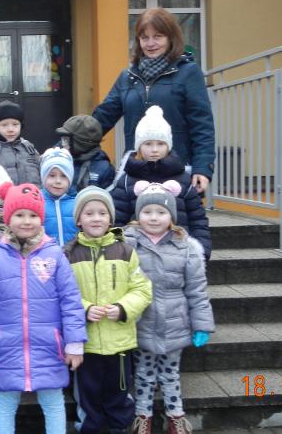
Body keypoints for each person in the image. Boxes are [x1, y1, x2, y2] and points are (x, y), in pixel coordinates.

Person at [0, 182, 87, 434]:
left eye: (33, 215)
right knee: (5, 401)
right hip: (5, 345)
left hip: (48, 344)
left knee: (52, 401)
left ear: (41, 218)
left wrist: (74, 343)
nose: (26, 221)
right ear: (8, 219)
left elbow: (71, 301)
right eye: (19, 215)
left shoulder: (55, 255)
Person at [122, 182, 215, 434]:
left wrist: (201, 324)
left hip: (175, 322)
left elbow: (196, 290)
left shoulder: (187, 247)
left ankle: (176, 416)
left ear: (171, 216)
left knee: (170, 373)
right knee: (143, 373)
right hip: (142, 322)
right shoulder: (127, 243)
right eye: (147, 212)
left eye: (161, 212)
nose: (154, 218)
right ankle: (143, 416)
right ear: (138, 214)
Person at [92, 7, 215, 194]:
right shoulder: (127, 77)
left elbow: (202, 125)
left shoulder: (189, 72)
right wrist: (66, 144)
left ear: (171, 38)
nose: (150, 43)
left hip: (177, 175)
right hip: (136, 174)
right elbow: (101, 118)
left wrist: (203, 168)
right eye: (144, 37)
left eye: (157, 36)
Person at [64, 187, 152, 434]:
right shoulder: (68, 254)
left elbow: (142, 289)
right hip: (86, 344)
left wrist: (123, 308)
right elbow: (63, 295)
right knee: (88, 396)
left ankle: (119, 428)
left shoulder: (125, 251)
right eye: (89, 213)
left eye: (102, 213)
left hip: (119, 343)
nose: (96, 218)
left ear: (110, 219)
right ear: (79, 220)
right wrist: (85, 309)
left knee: (119, 394)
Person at [110, 105, 211, 258]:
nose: (155, 149)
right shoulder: (126, 182)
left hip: (178, 257)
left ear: (168, 146)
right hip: (137, 257)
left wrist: (201, 251)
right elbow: (116, 221)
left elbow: (198, 220)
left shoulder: (183, 180)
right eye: (148, 144)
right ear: (139, 147)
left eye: (161, 144)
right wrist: (118, 252)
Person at [0, 100, 42, 185]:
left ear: (21, 125)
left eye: (15, 124)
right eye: (4, 125)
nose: (10, 129)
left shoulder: (31, 151)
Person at [56, 115, 115, 192]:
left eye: (66, 140)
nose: (63, 144)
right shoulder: (57, 160)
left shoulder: (104, 168)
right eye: (63, 139)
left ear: (81, 143)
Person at [40, 147, 78, 246]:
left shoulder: (78, 203)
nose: (58, 181)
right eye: (52, 175)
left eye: (64, 176)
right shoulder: (37, 202)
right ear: (43, 177)